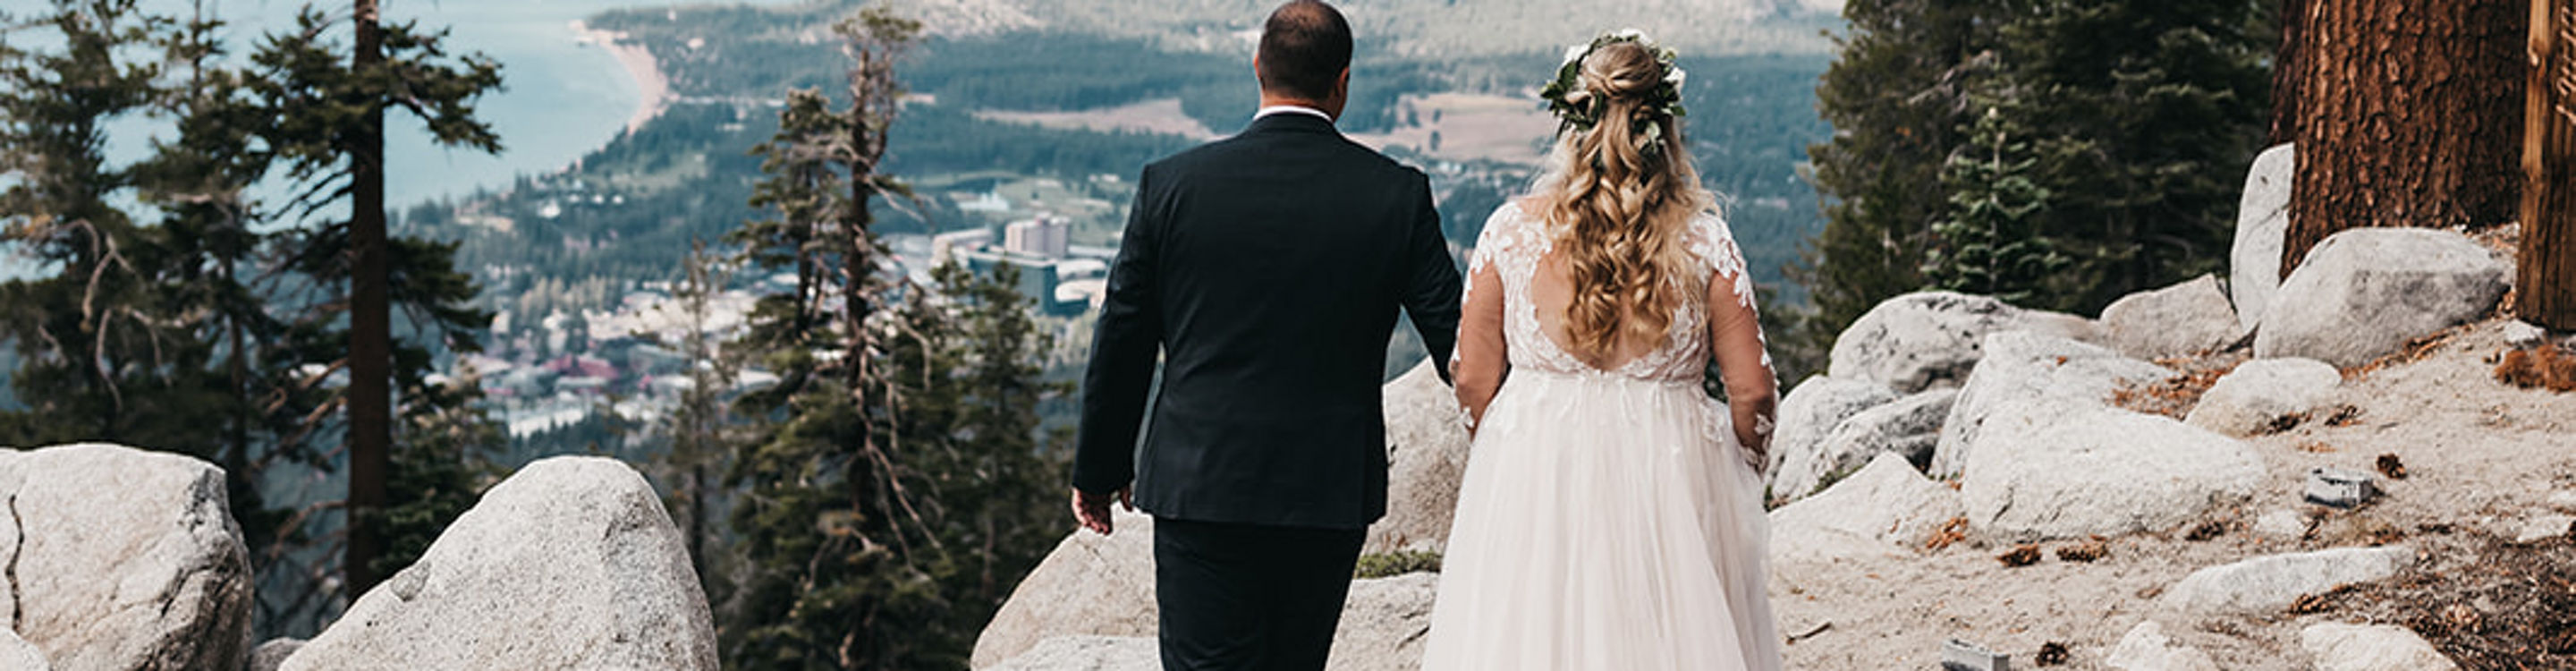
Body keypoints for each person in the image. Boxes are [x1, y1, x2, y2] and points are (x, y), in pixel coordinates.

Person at [1067, 1, 1462, 669]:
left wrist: (1100, 471)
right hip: (1326, 490)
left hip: (1202, 484)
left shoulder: (1172, 186)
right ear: (1342, 81)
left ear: (1258, 68)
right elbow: (1457, 346)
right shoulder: (1395, 194)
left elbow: (1124, 339)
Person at [1416, 30, 1784, 671]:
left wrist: (1509, 449)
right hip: (1671, 472)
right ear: (1664, 128)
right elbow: (1751, 390)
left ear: (1572, 123)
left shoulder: (1509, 230)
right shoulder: (1705, 241)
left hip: (1536, 468)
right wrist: (1739, 469)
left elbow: (1473, 379)